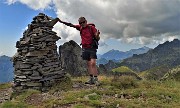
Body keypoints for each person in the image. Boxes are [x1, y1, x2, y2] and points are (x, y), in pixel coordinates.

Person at [58, 17, 100, 85]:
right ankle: (91, 79)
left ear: (86, 21)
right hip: (85, 48)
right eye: (80, 23)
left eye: (83, 22)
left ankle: (96, 79)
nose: (82, 24)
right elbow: (71, 25)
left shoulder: (91, 28)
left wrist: (97, 35)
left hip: (92, 48)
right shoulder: (80, 28)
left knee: (93, 63)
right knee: (89, 64)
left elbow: (97, 38)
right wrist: (61, 22)